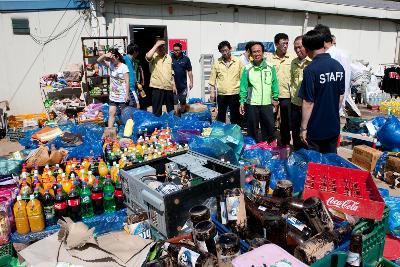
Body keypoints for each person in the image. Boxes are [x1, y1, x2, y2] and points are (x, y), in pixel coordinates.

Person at [298, 30, 345, 154]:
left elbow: (308, 102)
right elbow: (341, 96)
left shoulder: (310, 70)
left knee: (317, 166)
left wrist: (303, 128)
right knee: (331, 161)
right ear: (323, 45)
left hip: (316, 127)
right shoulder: (338, 66)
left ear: (307, 50)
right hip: (333, 125)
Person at [239, 42, 279, 143]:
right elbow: (243, 87)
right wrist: (242, 102)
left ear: (263, 52)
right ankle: (252, 148)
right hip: (252, 103)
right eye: (254, 52)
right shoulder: (247, 68)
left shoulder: (270, 67)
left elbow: (274, 83)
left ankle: (269, 148)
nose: (256, 54)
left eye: (258, 51)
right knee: (252, 129)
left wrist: (275, 98)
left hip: (266, 103)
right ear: (251, 54)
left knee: (269, 127)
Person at [314, 25, 350, 115]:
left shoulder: (341, 56)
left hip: (333, 105)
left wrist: (339, 106)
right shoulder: (319, 55)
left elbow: (345, 83)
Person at [270, 33, 295, 147]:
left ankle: (285, 143)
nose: (285, 46)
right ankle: (270, 142)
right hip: (272, 95)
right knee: (270, 119)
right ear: (276, 44)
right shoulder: (269, 59)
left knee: (285, 121)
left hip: (286, 94)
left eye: (287, 43)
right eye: (283, 43)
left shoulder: (292, 58)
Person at [209, 41, 243, 125]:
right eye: (222, 51)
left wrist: (243, 94)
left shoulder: (237, 62)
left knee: (235, 116)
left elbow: (243, 79)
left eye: (226, 50)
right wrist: (212, 92)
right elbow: (212, 79)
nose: (225, 53)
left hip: (235, 93)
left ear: (230, 49)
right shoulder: (217, 63)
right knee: (221, 116)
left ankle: (235, 133)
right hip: (222, 94)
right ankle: (221, 134)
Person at [97, 48, 130, 127]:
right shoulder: (111, 65)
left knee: (125, 115)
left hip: (122, 95)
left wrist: (127, 94)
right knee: (111, 113)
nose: (111, 60)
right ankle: (110, 131)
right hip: (113, 95)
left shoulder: (124, 67)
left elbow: (127, 81)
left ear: (117, 57)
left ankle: (127, 132)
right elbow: (99, 61)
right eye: (109, 59)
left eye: (112, 58)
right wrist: (105, 55)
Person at [290, 36, 312, 151]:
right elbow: (293, 81)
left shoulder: (312, 62)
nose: (298, 50)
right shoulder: (293, 62)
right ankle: (297, 154)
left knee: (307, 132)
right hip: (295, 103)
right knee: (295, 131)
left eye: (300, 47)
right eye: (295, 48)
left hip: (308, 105)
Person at [145, 39, 176, 117]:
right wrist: (156, 45)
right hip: (157, 87)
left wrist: (174, 84)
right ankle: (157, 127)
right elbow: (148, 56)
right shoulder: (153, 56)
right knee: (157, 111)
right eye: (160, 46)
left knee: (171, 111)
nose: (161, 48)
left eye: (163, 46)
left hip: (168, 87)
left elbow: (171, 72)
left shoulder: (169, 57)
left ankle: (170, 126)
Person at [171, 42, 193, 114]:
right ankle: (176, 115)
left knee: (183, 100)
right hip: (173, 85)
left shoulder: (186, 59)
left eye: (177, 50)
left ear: (181, 50)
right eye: (174, 50)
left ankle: (183, 114)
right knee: (174, 100)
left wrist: (191, 82)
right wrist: (172, 84)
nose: (176, 52)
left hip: (183, 85)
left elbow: (189, 71)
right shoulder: (170, 59)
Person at [123, 43, 140, 108]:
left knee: (133, 106)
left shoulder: (133, 60)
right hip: (129, 88)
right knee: (137, 106)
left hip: (133, 86)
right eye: (137, 51)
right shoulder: (125, 59)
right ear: (135, 52)